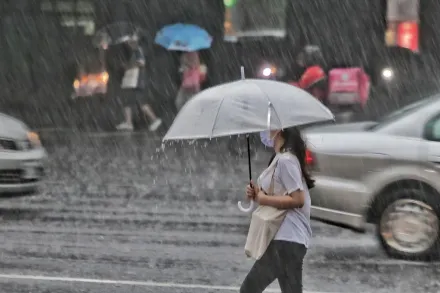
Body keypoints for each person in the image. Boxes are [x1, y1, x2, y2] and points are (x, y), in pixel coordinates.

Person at [241, 127, 314, 293]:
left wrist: (263, 198)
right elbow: (280, 192)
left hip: (285, 240)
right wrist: (257, 192)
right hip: (289, 241)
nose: (265, 130)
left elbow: (297, 199)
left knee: (248, 290)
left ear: (280, 130)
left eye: (269, 126)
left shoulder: (286, 160)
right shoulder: (280, 158)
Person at [116, 35, 162, 131]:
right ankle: (128, 122)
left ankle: (154, 119)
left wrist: (128, 66)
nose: (128, 44)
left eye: (129, 42)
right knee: (127, 101)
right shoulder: (134, 51)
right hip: (131, 80)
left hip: (136, 80)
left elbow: (141, 63)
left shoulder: (138, 50)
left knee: (141, 102)